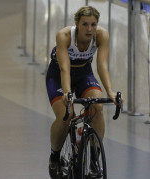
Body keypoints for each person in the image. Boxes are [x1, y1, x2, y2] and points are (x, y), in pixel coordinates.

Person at [46, 6, 118, 178]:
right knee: (66, 114)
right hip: (59, 75)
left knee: (97, 107)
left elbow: (102, 65)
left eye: (94, 24)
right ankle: (55, 157)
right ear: (77, 24)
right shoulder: (64, 36)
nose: (90, 29)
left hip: (84, 73)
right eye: (85, 24)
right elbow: (64, 69)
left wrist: (110, 91)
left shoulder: (101, 35)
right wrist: (67, 93)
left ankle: (94, 159)